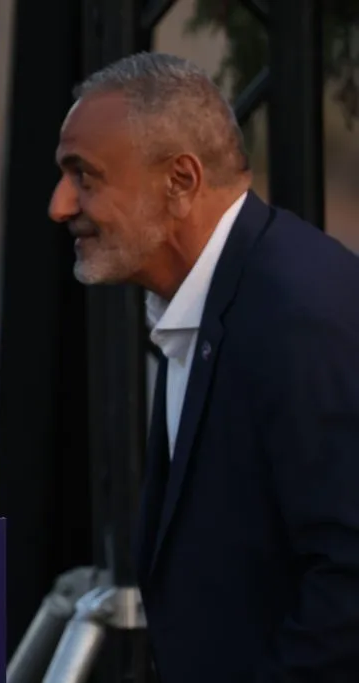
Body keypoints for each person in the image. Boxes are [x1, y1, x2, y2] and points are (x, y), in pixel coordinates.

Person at [48, 51, 359, 682]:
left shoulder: (297, 311)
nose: (59, 205)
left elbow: (349, 578)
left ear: (182, 182)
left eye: (85, 175)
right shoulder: (218, 300)